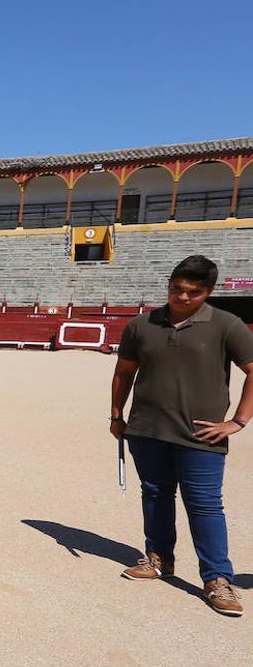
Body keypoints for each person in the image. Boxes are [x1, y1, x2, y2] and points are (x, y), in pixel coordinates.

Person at [110, 254, 252, 617]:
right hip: (147, 428)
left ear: (208, 291)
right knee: (155, 494)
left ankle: (217, 579)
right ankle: (159, 558)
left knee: (204, 504)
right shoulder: (142, 325)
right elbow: (124, 372)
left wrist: (237, 421)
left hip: (201, 434)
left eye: (194, 292)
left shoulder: (226, 324)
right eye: (177, 289)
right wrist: (116, 414)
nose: (183, 297)